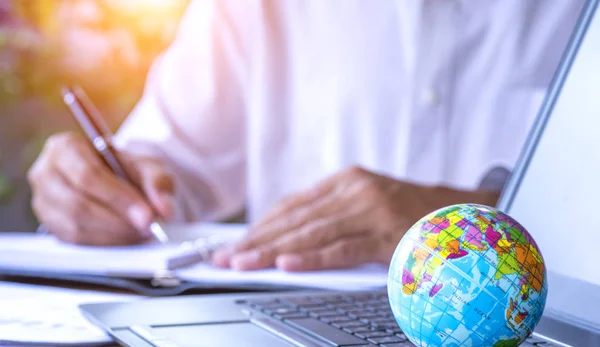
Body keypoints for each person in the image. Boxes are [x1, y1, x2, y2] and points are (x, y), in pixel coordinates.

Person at [28, 1, 583, 272]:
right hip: (283, 339)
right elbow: (164, 173)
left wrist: (478, 219)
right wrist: (93, 189)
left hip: (535, 343)